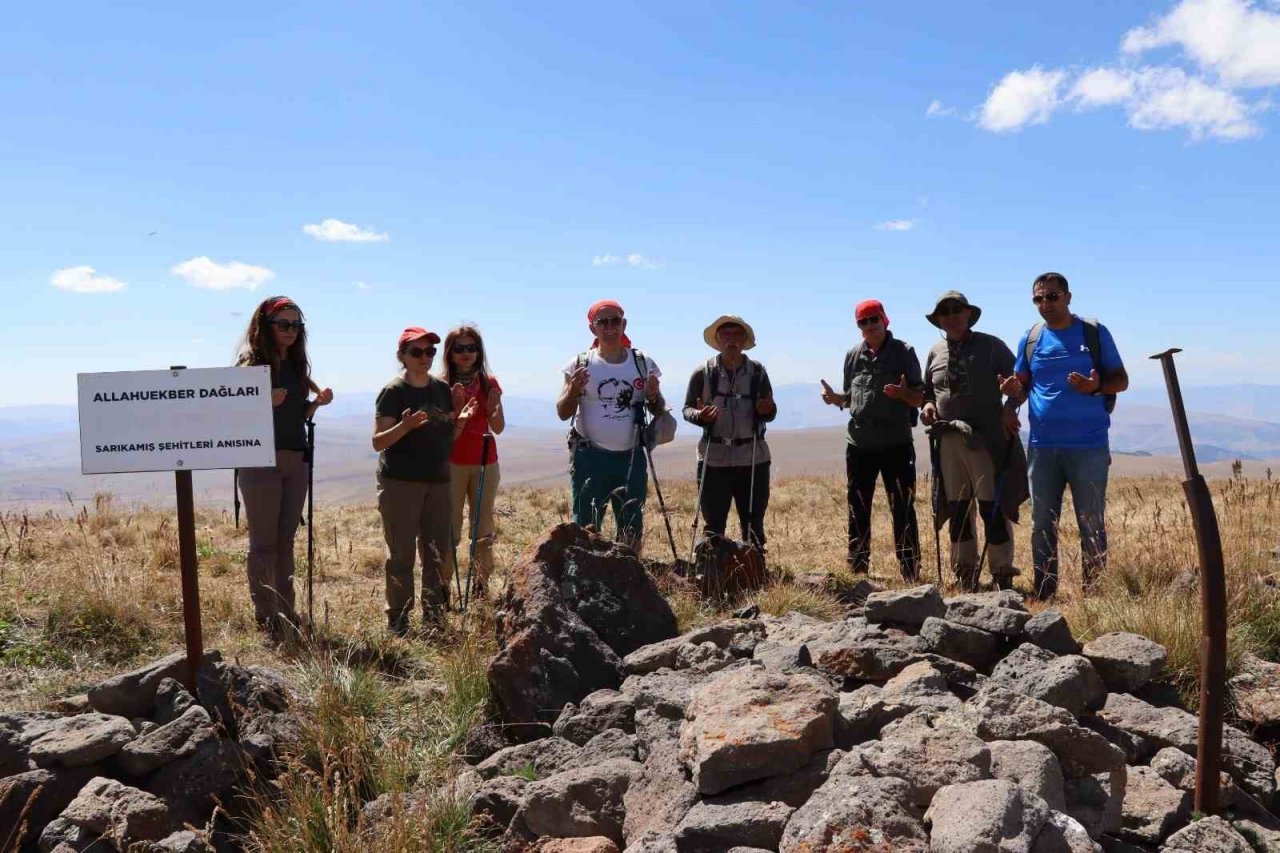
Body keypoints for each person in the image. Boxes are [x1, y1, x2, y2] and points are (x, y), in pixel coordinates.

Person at [1010, 272, 1128, 599]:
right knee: (1041, 525)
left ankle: (1095, 594)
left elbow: (1121, 380)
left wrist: (1096, 387)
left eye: (1052, 297)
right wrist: (1011, 392)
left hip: (1088, 445)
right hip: (1042, 447)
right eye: (1038, 298)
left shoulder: (1093, 333)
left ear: (1068, 297)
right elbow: (1021, 384)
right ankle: (1045, 592)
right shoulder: (1032, 338)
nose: (1045, 304)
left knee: (1091, 523)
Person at [234, 295, 333, 639]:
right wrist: (261, 401)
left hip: (295, 456)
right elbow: (231, 417)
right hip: (260, 460)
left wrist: (315, 406)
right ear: (266, 326)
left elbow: (295, 416)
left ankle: (286, 610)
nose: (291, 331)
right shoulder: (250, 366)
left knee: (285, 539)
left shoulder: (296, 366)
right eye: (284, 324)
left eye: (296, 325)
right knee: (264, 543)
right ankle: (266, 614)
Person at [920, 291, 1028, 591]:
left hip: (986, 439)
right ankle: (964, 572)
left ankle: (1002, 573)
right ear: (938, 320)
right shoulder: (934, 352)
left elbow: (1020, 386)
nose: (952, 316)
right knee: (957, 507)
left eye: (957, 310)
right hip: (948, 439)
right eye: (946, 312)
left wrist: (1011, 399)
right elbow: (927, 392)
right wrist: (927, 406)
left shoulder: (991, 346)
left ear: (968, 314)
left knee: (990, 506)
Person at [373, 327, 475, 634]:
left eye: (430, 352)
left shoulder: (442, 389)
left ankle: (434, 617)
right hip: (400, 483)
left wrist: (461, 422)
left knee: (436, 553)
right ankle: (399, 620)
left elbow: (447, 440)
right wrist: (404, 427)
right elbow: (378, 442)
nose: (424, 358)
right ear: (402, 356)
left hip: (439, 481)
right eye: (416, 352)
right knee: (401, 554)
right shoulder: (394, 392)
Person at [820, 299, 924, 579]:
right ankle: (858, 569)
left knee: (902, 506)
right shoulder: (853, 355)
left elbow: (920, 396)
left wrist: (904, 395)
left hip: (896, 444)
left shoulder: (903, 352)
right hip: (860, 444)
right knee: (858, 506)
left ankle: (910, 571)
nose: (868, 326)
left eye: (873, 320)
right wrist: (835, 400)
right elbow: (851, 398)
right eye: (862, 322)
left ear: (884, 320)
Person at [556, 300, 664, 552]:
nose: (609, 327)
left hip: (632, 456)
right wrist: (573, 391)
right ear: (593, 329)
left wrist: (653, 396)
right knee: (586, 529)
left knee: (631, 529)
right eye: (602, 322)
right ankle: (588, 582)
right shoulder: (579, 364)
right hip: (590, 457)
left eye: (615, 320)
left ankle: (628, 579)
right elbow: (563, 412)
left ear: (624, 324)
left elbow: (658, 409)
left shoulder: (642, 363)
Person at [682, 315, 776, 549]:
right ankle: (713, 576)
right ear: (718, 339)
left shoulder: (758, 373)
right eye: (726, 334)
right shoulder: (703, 373)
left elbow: (770, 411)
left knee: (754, 525)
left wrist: (767, 410)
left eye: (737, 334)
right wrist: (699, 416)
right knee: (713, 526)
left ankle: (756, 574)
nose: (731, 339)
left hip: (753, 458)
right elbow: (687, 409)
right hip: (714, 458)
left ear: (744, 340)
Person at [440, 325, 504, 601]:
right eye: (459, 348)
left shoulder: (490, 383)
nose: (466, 354)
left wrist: (492, 411)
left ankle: (480, 586)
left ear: (479, 352)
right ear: (450, 353)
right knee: (448, 529)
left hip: (485, 462)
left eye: (471, 348)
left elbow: (498, 427)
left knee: (482, 529)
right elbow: (439, 433)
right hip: (451, 464)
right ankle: (442, 588)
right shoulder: (440, 385)